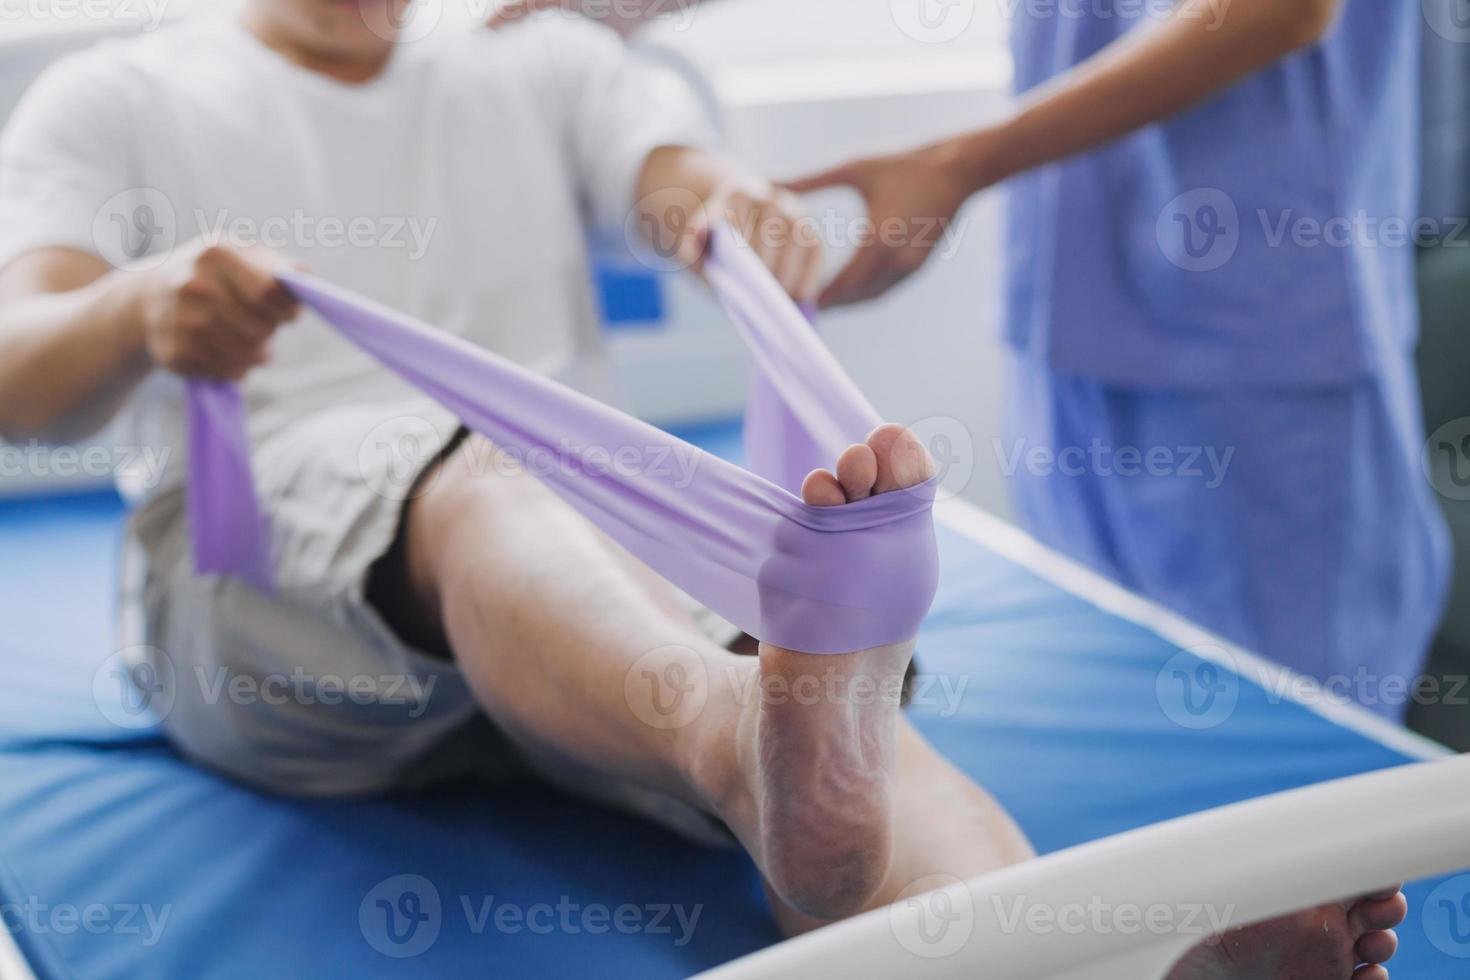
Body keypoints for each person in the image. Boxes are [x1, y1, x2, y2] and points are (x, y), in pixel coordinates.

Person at [0, 2, 1405, 975]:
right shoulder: (118, 98)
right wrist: (135, 312)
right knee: (536, 507)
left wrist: (732, 213)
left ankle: (1105, 965)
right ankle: (743, 741)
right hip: (269, 617)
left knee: (831, 745)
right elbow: (21, 382)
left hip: (573, 598)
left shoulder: (533, 67)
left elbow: (673, 174)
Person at [781, 0, 1452, 720]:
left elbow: (1285, 11)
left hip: (1253, 329)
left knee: (1293, 732)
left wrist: (956, 162)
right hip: (1070, 306)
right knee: (1105, 694)